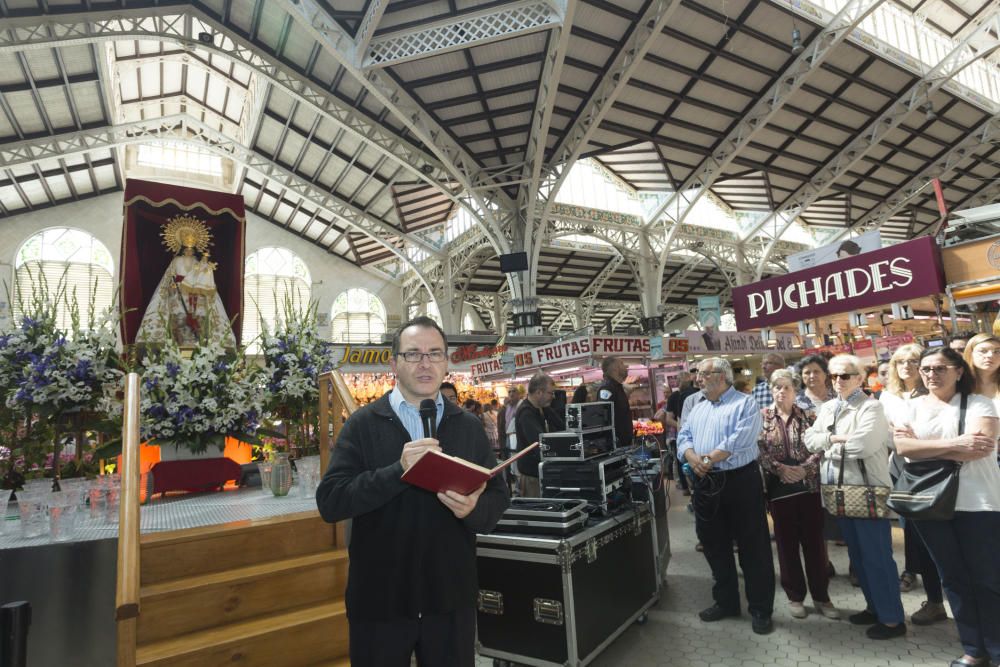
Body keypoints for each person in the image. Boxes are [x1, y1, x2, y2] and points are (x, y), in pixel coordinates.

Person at [315, 316, 509, 666]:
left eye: (435, 354)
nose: (425, 363)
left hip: (449, 598)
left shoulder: (466, 425)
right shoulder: (363, 424)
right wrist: (397, 471)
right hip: (380, 600)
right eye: (413, 354)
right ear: (394, 363)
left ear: (446, 363)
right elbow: (331, 501)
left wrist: (473, 510)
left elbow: (497, 494)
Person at [893, 347, 1000, 667]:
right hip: (929, 502)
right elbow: (903, 448)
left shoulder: (980, 403)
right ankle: (973, 649)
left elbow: (979, 449)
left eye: (939, 368)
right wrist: (956, 445)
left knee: (986, 579)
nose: (930, 375)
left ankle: (996, 649)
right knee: (952, 577)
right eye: (925, 369)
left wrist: (925, 448)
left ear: (958, 371)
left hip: (978, 502)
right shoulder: (910, 407)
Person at [804, 354, 906, 640]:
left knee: (877, 558)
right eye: (833, 375)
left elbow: (862, 446)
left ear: (860, 378)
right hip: (839, 493)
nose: (838, 381)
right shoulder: (829, 408)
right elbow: (809, 439)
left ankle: (892, 619)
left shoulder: (871, 408)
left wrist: (828, 444)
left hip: (867, 490)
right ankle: (875, 608)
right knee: (858, 557)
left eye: (845, 376)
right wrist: (833, 440)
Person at [677, 357, 775, 635]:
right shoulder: (697, 407)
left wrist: (707, 459)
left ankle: (760, 609)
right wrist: (693, 458)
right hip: (706, 482)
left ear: (721, 376)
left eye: (702, 374)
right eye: (697, 375)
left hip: (740, 481)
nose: (697, 379)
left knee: (752, 546)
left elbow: (740, 439)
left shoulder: (745, 403)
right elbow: (684, 436)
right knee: (713, 544)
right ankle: (726, 602)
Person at [758, 369, 838, 621]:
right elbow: (759, 450)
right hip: (779, 489)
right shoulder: (762, 418)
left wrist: (804, 469)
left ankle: (822, 596)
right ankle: (795, 596)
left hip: (809, 487)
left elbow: (822, 447)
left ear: (795, 391)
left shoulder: (809, 417)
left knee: (814, 544)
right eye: (776, 387)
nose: (781, 392)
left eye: (786, 387)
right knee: (786, 544)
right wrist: (781, 469)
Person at [879, 343, 943, 620]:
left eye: (913, 360)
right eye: (900, 361)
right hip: (902, 472)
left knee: (937, 538)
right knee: (914, 536)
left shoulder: (935, 393)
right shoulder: (888, 397)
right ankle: (934, 599)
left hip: (935, 471)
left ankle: (939, 596)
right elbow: (885, 436)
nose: (906, 366)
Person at [136, 216, 235, 347]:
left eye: (192, 240)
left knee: (198, 320)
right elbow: (169, 277)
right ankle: (178, 344)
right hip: (178, 295)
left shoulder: (197, 262)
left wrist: (206, 268)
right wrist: (173, 285)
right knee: (180, 319)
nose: (189, 244)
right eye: (187, 239)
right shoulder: (176, 261)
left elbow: (202, 278)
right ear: (182, 243)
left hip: (196, 296)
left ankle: (197, 346)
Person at [515, 372, 560, 498]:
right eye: (550, 393)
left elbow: (562, 426)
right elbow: (539, 444)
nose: (553, 397)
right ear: (539, 392)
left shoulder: (542, 408)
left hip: (542, 473)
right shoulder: (526, 413)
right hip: (532, 477)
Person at [598, 356, 632, 449]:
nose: (626, 367)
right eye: (622, 364)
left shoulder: (617, 387)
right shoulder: (607, 388)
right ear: (615, 368)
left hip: (623, 444)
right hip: (615, 445)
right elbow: (604, 416)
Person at [964, 333, 1000, 414]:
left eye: (997, 351)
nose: (990, 355)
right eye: (983, 351)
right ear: (970, 354)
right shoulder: (959, 385)